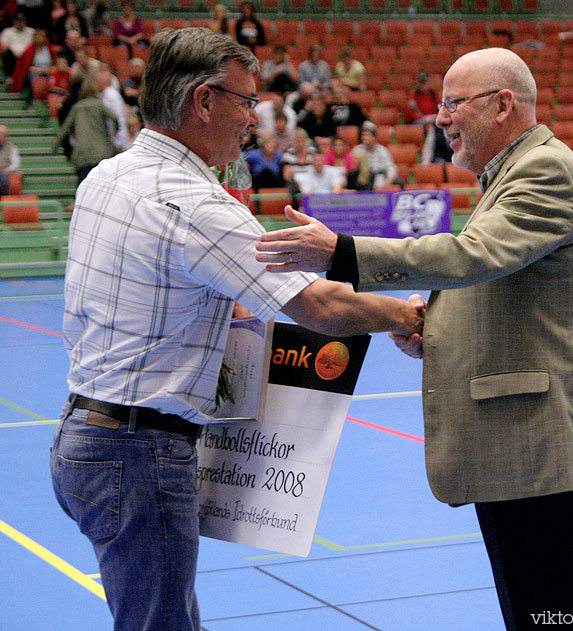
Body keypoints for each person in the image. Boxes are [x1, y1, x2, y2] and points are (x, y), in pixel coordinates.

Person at [50, 29, 422, 631]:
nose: (253, 119)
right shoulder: (192, 202)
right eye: (247, 102)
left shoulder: (106, 176)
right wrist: (406, 315)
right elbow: (318, 307)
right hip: (139, 452)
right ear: (203, 101)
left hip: (87, 435)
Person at [255, 47, 573, 631]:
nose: (441, 117)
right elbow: (498, 282)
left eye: (454, 103)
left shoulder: (545, 171)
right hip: (527, 451)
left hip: (539, 451)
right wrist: (436, 330)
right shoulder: (512, 173)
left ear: (503, 104)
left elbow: (472, 258)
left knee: (555, 616)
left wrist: (342, 252)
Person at [52, 78, 117, 183]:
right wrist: (115, 132)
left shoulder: (77, 108)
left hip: (83, 155)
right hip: (102, 153)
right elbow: (114, 117)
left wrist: (54, 147)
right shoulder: (99, 105)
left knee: (84, 185)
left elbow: (64, 128)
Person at [351, 121, 398, 189]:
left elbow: (391, 168)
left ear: (374, 138)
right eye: (363, 135)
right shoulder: (357, 150)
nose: (364, 137)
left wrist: (388, 181)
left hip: (381, 176)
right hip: (365, 180)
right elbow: (352, 169)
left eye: (367, 135)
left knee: (398, 182)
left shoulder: (382, 150)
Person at [97, 68, 127, 151]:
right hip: (112, 139)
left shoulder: (111, 96)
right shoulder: (105, 95)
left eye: (97, 81)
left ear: (102, 82)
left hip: (115, 141)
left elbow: (117, 118)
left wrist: (117, 141)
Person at [1, 12, 34, 82]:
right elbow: (4, 45)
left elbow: (33, 44)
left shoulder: (31, 31)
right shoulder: (7, 31)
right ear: (14, 21)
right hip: (12, 53)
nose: (20, 22)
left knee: (31, 53)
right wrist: (14, 52)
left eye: (22, 20)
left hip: (27, 53)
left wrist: (24, 52)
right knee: (6, 53)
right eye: (18, 20)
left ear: (25, 21)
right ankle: (9, 76)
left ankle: (26, 77)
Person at [0, 124, 22, 195]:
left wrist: (7, 170)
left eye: (1, 134)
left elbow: (16, 164)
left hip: (5, 173)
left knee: (3, 177)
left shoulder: (12, 148)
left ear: (6, 137)